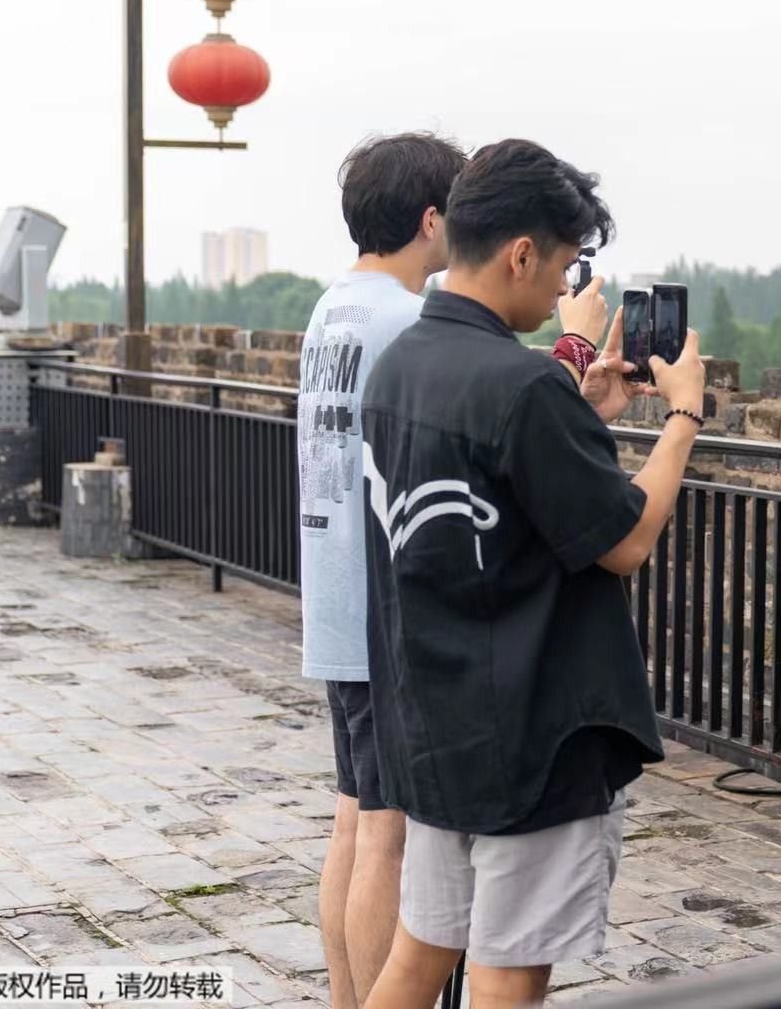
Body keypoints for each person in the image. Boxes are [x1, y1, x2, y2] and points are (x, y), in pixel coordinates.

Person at [358, 139, 706, 1009]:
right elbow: (623, 540)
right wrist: (685, 419)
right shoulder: (521, 387)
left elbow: (498, 498)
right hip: (530, 736)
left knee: (422, 952)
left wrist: (581, 411)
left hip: (432, 721)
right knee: (508, 974)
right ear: (521, 253)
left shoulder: (401, 365)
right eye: (560, 266)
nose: (563, 291)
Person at [297, 132, 467, 1009]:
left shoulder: (334, 309)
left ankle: (345, 998)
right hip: (384, 611)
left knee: (353, 820)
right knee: (388, 835)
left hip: (334, 595)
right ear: (432, 219)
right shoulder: (406, 320)